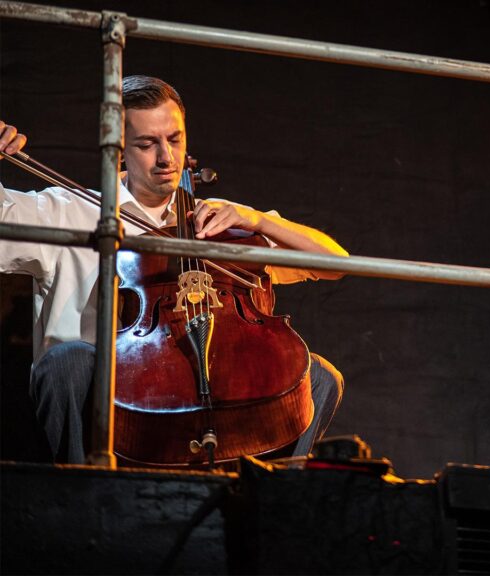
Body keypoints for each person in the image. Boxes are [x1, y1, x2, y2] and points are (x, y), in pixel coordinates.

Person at [0, 75, 346, 465]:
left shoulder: (221, 222)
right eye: (147, 144)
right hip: (117, 409)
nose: (166, 158)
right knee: (69, 362)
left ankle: (267, 499)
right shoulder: (69, 211)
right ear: (117, 150)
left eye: (175, 139)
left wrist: (259, 222)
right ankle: (89, 492)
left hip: (216, 392)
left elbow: (336, 265)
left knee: (318, 377)